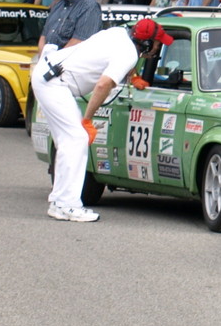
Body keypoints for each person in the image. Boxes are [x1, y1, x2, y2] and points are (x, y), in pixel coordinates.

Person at [32, 17, 173, 222]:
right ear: (147, 43)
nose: (158, 47)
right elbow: (102, 85)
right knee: (77, 139)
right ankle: (67, 205)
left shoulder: (119, 33)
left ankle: (59, 201)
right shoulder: (129, 53)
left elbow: (114, 58)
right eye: (158, 43)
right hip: (54, 83)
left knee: (67, 142)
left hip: (48, 73)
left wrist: (131, 76)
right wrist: (87, 120)